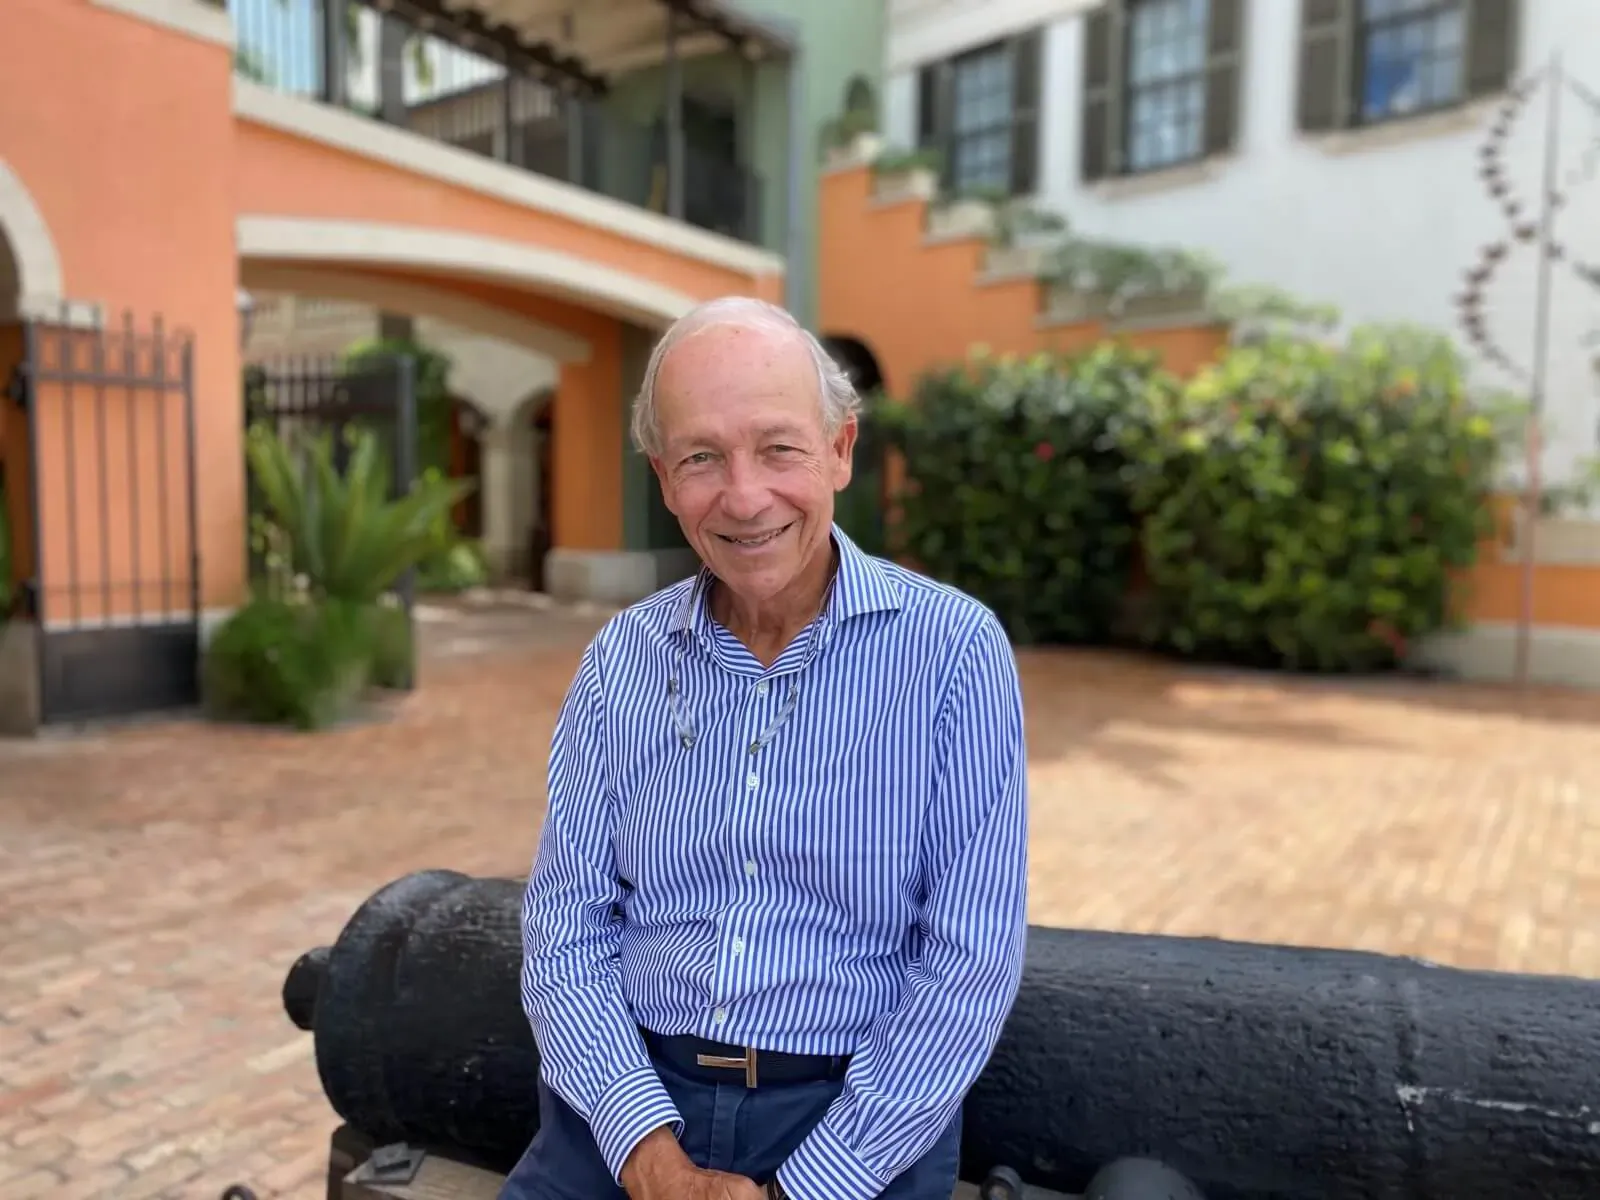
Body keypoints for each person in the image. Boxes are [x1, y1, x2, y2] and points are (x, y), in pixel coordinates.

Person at [501, 296, 1028, 1200]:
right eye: (702, 457)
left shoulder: (954, 654)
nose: (744, 498)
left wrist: (809, 1188)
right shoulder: (621, 660)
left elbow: (970, 960)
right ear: (665, 480)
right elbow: (564, 930)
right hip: (630, 1106)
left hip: (856, 1118)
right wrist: (648, 1156)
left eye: (779, 447)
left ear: (840, 452)